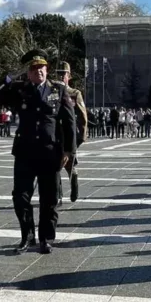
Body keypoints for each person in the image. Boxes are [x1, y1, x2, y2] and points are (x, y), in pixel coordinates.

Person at [0, 50, 76, 254]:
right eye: (33, 68)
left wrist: (69, 151)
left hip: (50, 152)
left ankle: (46, 238)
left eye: (41, 67)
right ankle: (27, 235)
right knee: (20, 196)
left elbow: (69, 121)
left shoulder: (58, 89)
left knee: (49, 198)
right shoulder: (20, 89)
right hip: (25, 152)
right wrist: (11, 76)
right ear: (28, 73)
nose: (38, 71)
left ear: (46, 70)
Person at [52, 62, 87, 205]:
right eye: (58, 73)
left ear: (69, 76)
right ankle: (57, 195)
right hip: (55, 135)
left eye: (63, 73)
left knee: (69, 165)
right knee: (55, 166)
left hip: (70, 135)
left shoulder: (75, 93)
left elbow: (82, 116)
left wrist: (81, 137)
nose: (61, 76)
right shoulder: (52, 92)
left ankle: (74, 184)